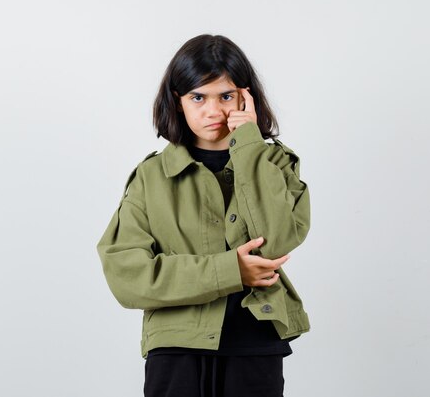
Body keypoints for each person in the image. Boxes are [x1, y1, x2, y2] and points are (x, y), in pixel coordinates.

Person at [96, 34, 311, 397]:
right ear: (178, 101)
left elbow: (276, 242)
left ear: (246, 98)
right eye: (198, 97)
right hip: (176, 348)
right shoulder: (152, 177)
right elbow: (126, 276)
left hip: (256, 345)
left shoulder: (274, 163)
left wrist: (249, 147)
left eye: (226, 96)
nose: (214, 111)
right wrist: (230, 271)